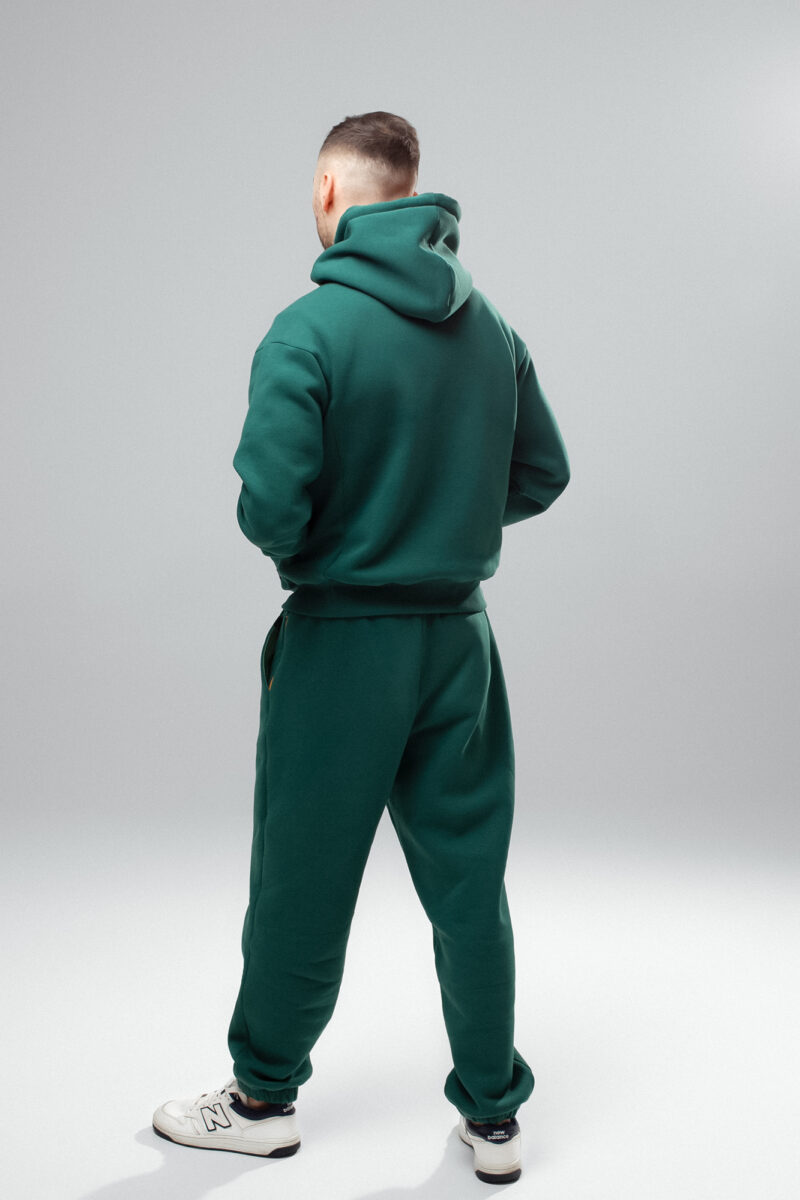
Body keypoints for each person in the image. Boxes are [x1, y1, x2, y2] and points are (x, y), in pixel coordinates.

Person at [152, 109, 570, 1185]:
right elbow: (541, 473)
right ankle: (494, 1118)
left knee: (303, 879)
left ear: (331, 191)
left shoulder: (308, 329)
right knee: (470, 885)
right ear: (414, 191)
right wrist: (441, 526)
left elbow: (271, 509)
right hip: (460, 643)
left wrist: (350, 545)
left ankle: (261, 1101)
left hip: (343, 641)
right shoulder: (493, 331)